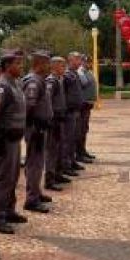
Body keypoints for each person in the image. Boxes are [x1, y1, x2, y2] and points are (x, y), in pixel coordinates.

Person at [0, 50, 28, 235]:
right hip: (4, 140)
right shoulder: (1, 87)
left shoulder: (16, 84)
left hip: (14, 139)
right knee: (3, 178)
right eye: (18, 64)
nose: (21, 67)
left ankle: (9, 210)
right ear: (7, 66)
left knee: (12, 177)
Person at [22, 50, 53, 213]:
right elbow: (28, 107)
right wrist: (32, 126)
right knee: (34, 163)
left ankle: (36, 191)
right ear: (39, 64)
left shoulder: (40, 79)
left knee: (38, 162)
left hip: (39, 127)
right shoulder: (33, 81)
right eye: (47, 63)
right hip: (35, 128)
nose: (49, 66)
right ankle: (31, 199)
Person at [44, 56, 71, 191]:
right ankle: (49, 179)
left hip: (60, 119)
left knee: (60, 148)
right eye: (62, 66)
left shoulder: (59, 80)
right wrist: (50, 117)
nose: (64, 69)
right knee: (52, 150)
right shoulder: (51, 81)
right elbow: (48, 100)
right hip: (53, 120)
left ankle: (58, 174)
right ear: (54, 66)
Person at [62, 52, 86, 177]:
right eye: (77, 60)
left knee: (73, 138)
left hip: (75, 111)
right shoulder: (66, 75)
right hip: (68, 112)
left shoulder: (74, 74)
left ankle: (71, 161)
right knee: (67, 140)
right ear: (70, 60)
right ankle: (66, 165)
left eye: (80, 60)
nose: (80, 62)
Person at [76, 55, 97, 163]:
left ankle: (83, 150)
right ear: (82, 62)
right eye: (86, 62)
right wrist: (82, 70)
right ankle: (79, 153)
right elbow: (84, 83)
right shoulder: (81, 72)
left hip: (88, 105)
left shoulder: (88, 72)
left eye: (90, 62)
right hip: (82, 105)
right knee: (80, 130)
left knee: (84, 129)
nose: (89, 64)